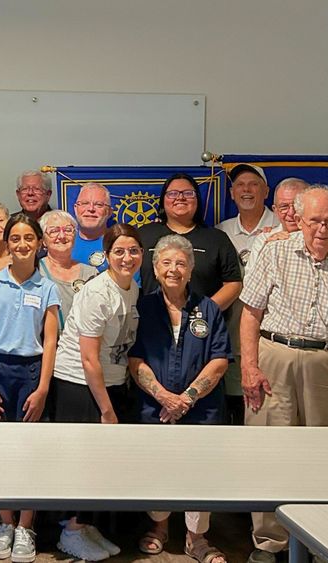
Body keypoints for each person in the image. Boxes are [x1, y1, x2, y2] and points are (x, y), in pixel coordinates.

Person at [239, 185, 328, 563]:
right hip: (275, 360)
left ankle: (320, 542)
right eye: (314, 221)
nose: (322, 229)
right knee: (270, 452)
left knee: (326, 458)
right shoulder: (274, 251)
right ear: (298, 220)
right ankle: (269, 543)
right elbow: (251, 313)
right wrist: (250, 367)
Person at [128, 235, 230, 563]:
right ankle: (159, 528)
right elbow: (134, 358)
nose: (174, 269)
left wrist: (186, 398)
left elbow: (219, 360)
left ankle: (196, 538)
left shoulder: (209, 308)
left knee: (201, 472)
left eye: (181, 263)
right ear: (155, 269)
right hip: (154, 406)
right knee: (156, 467)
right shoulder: (141, 307)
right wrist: (162, 396)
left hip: (202, 409)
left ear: (191, 270)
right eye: (166, 263)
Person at [50, 223, 143, 562]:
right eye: (119, 251)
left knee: (101, 463)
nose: (127, 257)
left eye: (133, 250)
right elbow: (88, 359)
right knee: (83, 461)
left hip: (111, 382)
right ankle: (70, 531)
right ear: (106, 256)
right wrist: (106, 410)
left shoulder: (131, 288)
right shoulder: (97, 291)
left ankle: (85, 524)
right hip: (79, 384)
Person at [0, 214, 59, 563]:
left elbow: (50, 341)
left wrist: (42, 388)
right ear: (7, 243)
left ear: (40, 243)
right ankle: (4, 522)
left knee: (30, 453)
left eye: (28, 238)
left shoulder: (47, 287)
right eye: (15, 238)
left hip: (31, 374)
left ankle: (26, 525)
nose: (22, 244)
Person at [216, 165, 280, 425]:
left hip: (274, 338)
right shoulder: (221, 232)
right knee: (236, 404)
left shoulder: (282, 227)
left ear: (266, 191)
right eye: (240, 185)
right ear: (231, 193)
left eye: (253, 184)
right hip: (234, 335)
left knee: (269, 406)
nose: (246, 190)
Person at [139, 173, 242, 310]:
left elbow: (233, 283)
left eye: (188, 193)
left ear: (197, 199)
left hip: (201, 325)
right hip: (151, 321)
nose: (180, 198)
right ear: (163, 200)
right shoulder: (144, 235)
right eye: (172, 193)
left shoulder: (217, 238)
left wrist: (206, 311)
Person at [38, 210, 98, 332]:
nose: (62, 236)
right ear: (43, 240)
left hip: (82, 345)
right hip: (47, 346)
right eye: (54, 231)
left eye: (67, 230)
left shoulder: (91, 273)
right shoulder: (35, 271)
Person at [244, 178, 311, 274]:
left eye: (297, 205)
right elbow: (250, 282)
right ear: (275, 210)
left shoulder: (321, 237)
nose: (291, 213)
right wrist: (268, 251)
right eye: (284, 207)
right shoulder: (264, 240)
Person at [69, 182, 113, 271]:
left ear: (109, 212)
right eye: (85, 203)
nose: (91, 209)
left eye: (99, 205)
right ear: (75, 209)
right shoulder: (63, 242)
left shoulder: (118, 243)